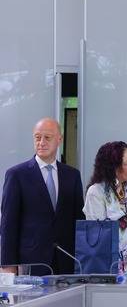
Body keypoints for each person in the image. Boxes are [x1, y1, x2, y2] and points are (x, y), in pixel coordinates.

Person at [1, 118, 85, 275]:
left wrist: (83, 259)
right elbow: (8, 223)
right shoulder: (17, 175)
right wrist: (7, 264)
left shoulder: (72, 176)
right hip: (31, 262)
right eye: (37, 137)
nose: (41, 143)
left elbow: (79, 221)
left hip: (66, 261)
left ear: (59, 139)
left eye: (47, 137)